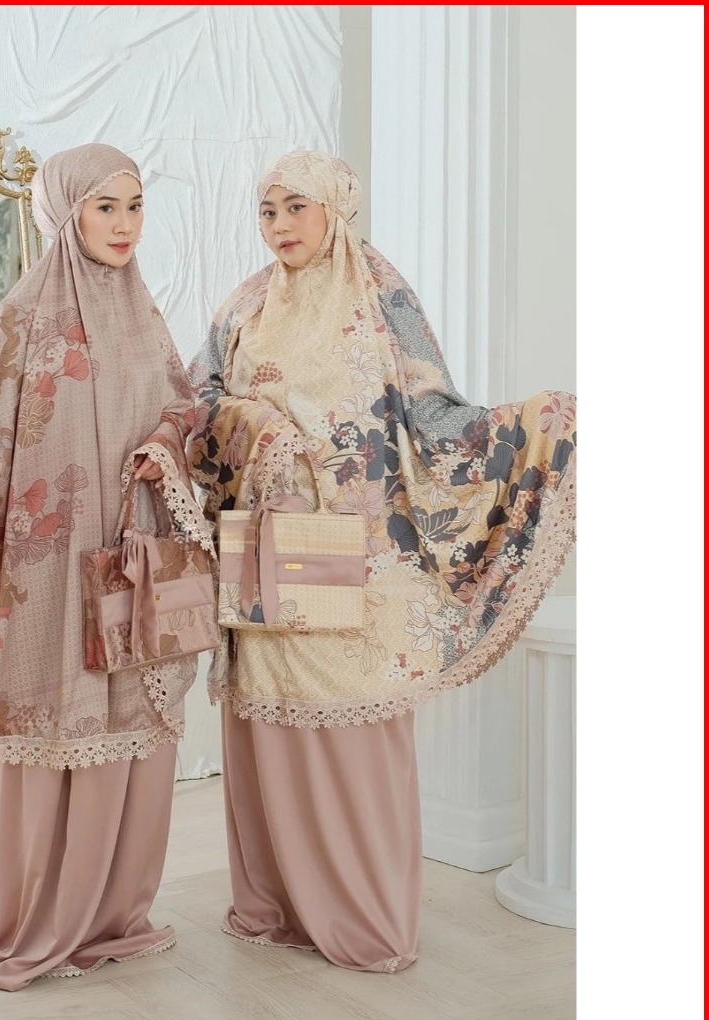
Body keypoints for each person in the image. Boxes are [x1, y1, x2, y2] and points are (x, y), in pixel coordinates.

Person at [187, 149, 576, 973]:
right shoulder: (245, 304)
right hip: (266, 546)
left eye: (297, 207)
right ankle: (276, 905)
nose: (280, 225)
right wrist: (252, 424)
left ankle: (365, 920)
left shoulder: (380, 292)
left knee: (356, 728)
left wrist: (532, 424)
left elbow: (434, 413)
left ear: (335, 207)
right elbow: (198, 400)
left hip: (364, 555)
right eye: (268, 211)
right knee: (269, 728)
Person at [0, 143, 214, 990]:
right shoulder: (26, 312)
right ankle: (46, 916)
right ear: (66, 213)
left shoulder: (142, 310)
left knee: (133, 709)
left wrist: (166, 443)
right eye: (105, 207)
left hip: (134, 554)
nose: (124, 225)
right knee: (64, 713)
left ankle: (114, 912)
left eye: (134, 206)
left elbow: (180, 406)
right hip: (52, 566)